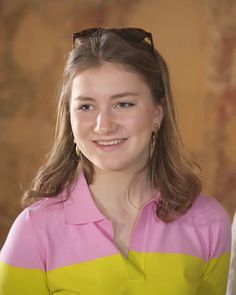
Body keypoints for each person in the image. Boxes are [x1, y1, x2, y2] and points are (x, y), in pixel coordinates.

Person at [0, 27, 231, 295]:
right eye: (86, 106)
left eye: (123, 104)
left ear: (158, 112)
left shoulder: (210, 222)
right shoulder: (34, 230)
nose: (103, 125)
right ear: (69, 118)